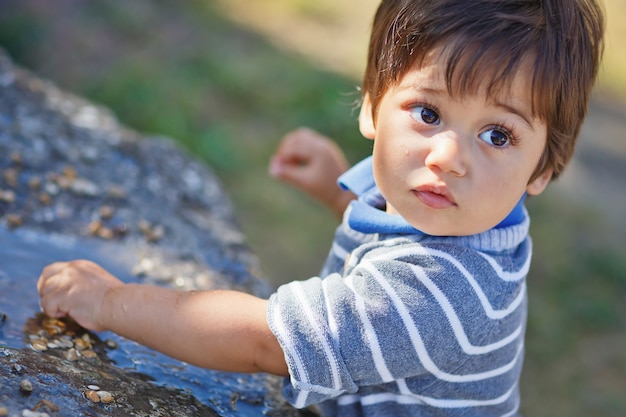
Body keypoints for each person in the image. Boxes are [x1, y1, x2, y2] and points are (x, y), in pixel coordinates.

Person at [37, 0, 604, 415]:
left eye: (498, 135)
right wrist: (338, 190)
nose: (448, 157)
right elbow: (397, 241)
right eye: (428, 113)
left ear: (544, 168)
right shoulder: (465, 209)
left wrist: (110, 302)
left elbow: (265, 341)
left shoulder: (444, 293)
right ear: (372, 106)